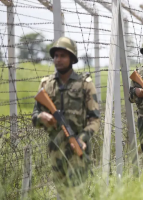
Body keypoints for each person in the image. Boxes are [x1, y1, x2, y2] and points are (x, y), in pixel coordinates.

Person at [31, 36, 100, 198]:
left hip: (77, 150)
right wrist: (42, 117)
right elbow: (34, 116)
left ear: (72, 58)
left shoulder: (85, 84)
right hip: (56, 151)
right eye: (56, 56)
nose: (58, 59)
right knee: (61, 194)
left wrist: (82, 138)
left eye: (63, 55)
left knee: (77, 194)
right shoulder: (46, 84)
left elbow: (95, 119)